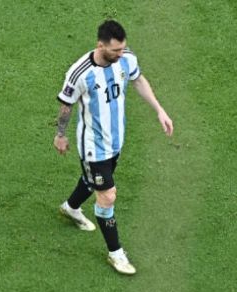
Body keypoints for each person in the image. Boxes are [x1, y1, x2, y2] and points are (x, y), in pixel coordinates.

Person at [53, 19, 174, 275]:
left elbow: (139, 80)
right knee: (107, 195)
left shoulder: (126, 59)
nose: (121, 54)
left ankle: (70, 208)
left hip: (116, 141)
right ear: (100, 45)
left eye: (123, 48)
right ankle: (116, 254)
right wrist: (60, 135)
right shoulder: (80, 72)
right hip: (93, 147)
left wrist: (159, 110)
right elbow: (66, 105)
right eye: (116, 50)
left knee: (91, 181)